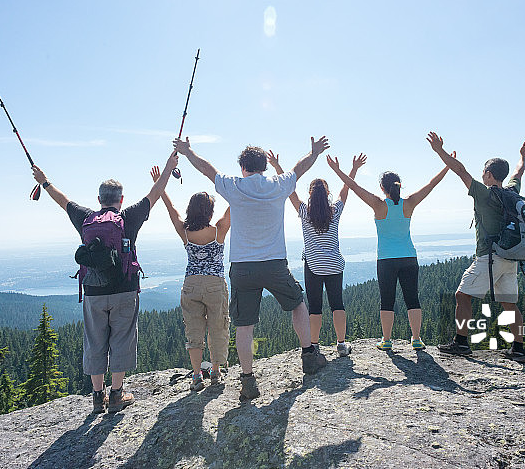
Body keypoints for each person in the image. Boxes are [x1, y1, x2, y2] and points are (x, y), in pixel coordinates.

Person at [173, 136, 330, 401]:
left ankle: (248, 381)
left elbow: (207, 169)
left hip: (243, 266)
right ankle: (309, 356)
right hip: (274, 262)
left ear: (243, 167)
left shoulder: (234, 186)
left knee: (244, 325)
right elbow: (300, 169)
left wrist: (187, 152)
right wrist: (314, 153)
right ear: (265, 166)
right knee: (297, 304)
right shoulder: (278, 185)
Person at [31, 150, 179, 414]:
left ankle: (97, 398)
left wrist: (44, 181)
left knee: (95, 340)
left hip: (93, 291)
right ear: (121, 200)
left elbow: (62, 200)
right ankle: (117, 395)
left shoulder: (85, 218)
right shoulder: (128, 218)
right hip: (124, 289)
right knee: (122, 338)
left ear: (99, 200)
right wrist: (170, 165)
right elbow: (155, 193)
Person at [326, 152, 453, 351]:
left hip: (386, 259)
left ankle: (386, 341)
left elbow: (354, 187)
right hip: (409, 257)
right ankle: (417, 339)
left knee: (387, 299)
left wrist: (336, 169)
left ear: (382, 187)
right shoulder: (409, 203)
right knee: (413, 298)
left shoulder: (378, 205)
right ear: (399, 185)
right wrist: (447, 165)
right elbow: (431, 184)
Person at [426, 132, 525, 363]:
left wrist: (439, 151)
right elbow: (518, 172)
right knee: (509, 304)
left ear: (489, 174)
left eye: (484, 171)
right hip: (511, 258)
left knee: (462, 296)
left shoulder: (483, 194)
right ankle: (518, 349)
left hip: (489, 258)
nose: (481, 174)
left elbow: (460, 171)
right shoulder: (512, 192)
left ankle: (461, 343)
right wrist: (523, 156)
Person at [267, 151, 366, 357]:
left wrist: (277, 166)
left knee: (315, 306)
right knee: (337, 303)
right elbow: (345, 191)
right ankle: (341, 344)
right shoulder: (335, 211)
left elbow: (289, 190)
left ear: (311, 194)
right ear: (327, 194)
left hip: (313, 264)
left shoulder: (305, 212)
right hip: (334, 265)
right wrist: (353, 169)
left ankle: (314, 344)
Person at [150, 165, 231, 391]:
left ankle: (196, 376)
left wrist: (160, 185)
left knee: (194, 331)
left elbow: (171, 209)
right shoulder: (218, 230)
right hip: (215, 284)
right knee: (218, 327)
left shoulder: (184, 231)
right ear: (209, 211)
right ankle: (215, 371)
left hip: (191, 284)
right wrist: (238, 188)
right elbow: (234, 205)